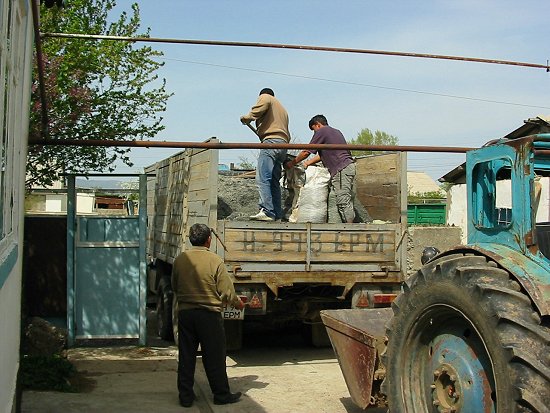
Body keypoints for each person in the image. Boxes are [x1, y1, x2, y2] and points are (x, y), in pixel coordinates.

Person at [171, 223, 244, 407]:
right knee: (214, 357)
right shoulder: (215, 261)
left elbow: (174, 285)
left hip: (186, 314)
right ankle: (221, 395)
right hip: (209, 316)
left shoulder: (180, 260)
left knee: (186, 356)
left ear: (190, 239)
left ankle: (185, 397)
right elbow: (227, 291)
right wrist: (237, 303)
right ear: (209, 240)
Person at [285, 114, 356, 223]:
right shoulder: (335, 132)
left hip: (341, 168)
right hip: (346, 167)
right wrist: (307, 163)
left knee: (343, 199)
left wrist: (292, 163)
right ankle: (343, 226)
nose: (314, 133)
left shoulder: (322, 131)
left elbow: (306, 152)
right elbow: (320, 155)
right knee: (338, 198)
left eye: (313, 130)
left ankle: (350, 230)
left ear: (317, 125)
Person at [240, 88, 290, 221]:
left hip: (271, 142)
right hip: (283, 145)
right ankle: (276, 213)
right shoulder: (283, 109)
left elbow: (262, 104)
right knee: (274, 181)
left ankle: (267, 211)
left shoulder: (266, 97)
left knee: (263, 177)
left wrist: (248, 117)